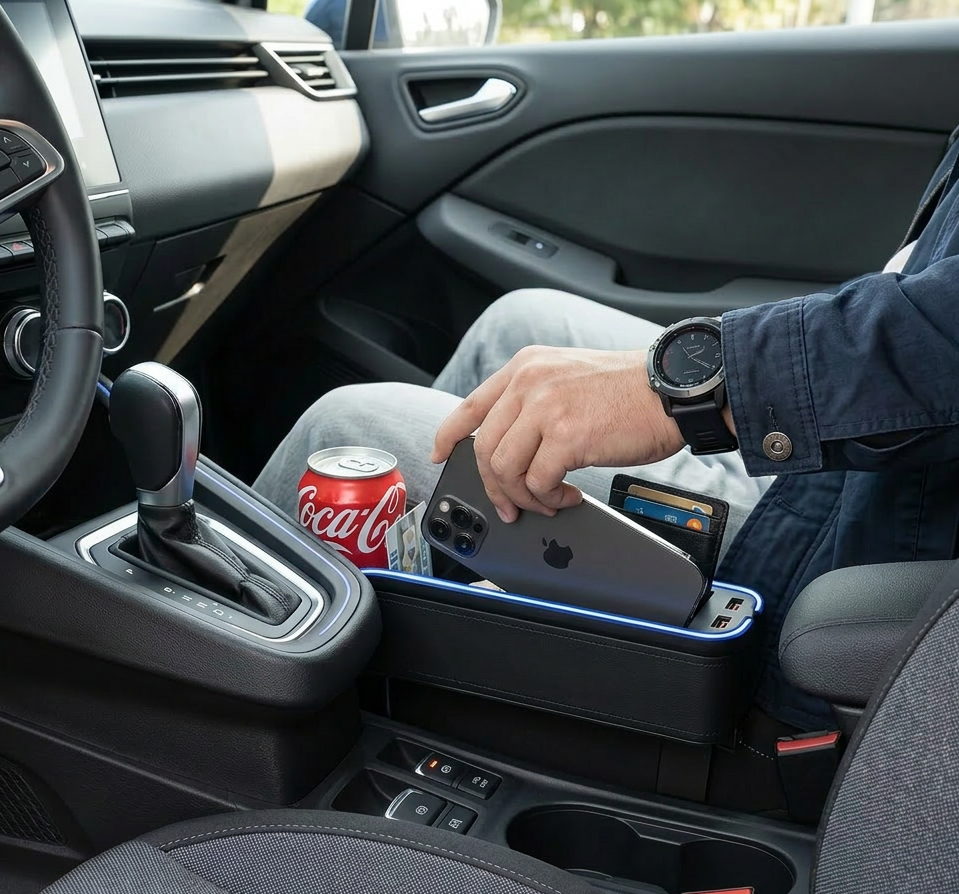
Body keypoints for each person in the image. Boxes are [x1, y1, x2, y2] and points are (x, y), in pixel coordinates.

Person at [255, 128, 959, 731]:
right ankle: (423, 658)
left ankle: (199, 724)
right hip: (860, 468)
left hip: (863, 555)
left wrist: (693, 390)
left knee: (345, 429)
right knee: (519, 324)